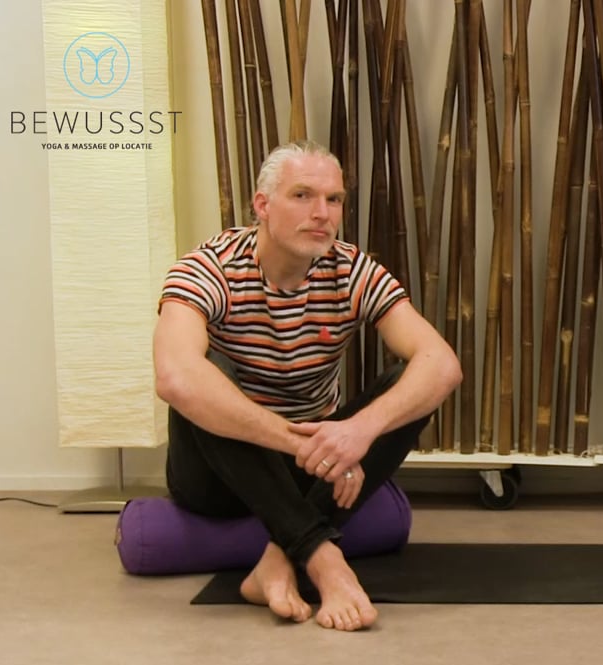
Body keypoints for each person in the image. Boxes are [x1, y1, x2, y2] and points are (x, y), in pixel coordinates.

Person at [153, 140, 461, 631]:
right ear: (262, 205)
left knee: (410, 382)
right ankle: (324, 561)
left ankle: (276, 561)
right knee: (205, 371)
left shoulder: (352, 269)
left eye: (334, 199)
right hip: (219, 473)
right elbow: (174, 376)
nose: (322, 213)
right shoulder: (208, 268)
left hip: (310, 468)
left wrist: (357, 432)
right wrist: (302, 444)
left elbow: (441, 364)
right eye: (302, 195)